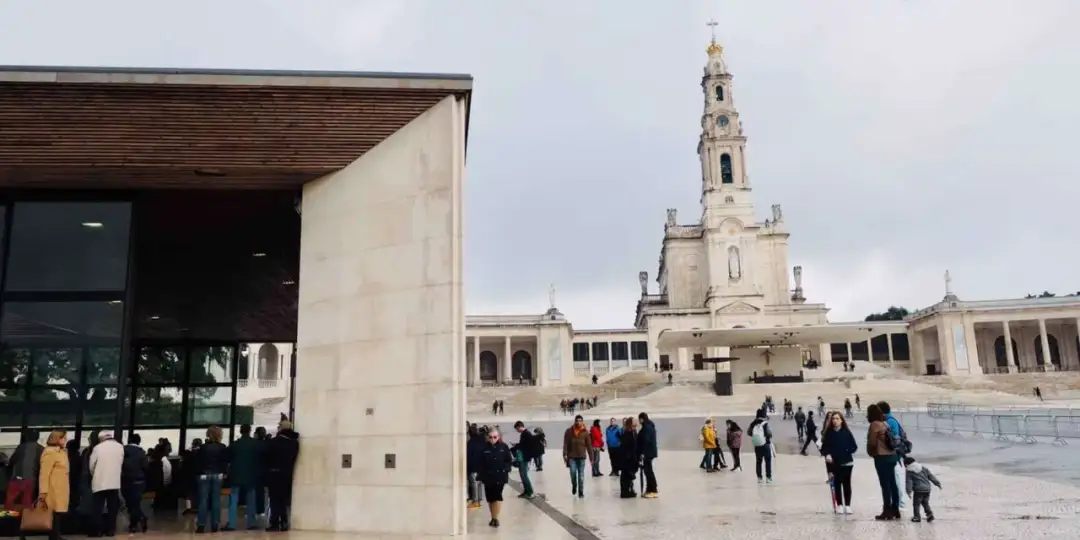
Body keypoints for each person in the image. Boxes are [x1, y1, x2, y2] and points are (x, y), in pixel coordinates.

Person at [866, 404, 901, 520]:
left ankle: (887, 510)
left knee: (885, 485)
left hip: (882, 457)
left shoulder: (874, 425)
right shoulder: (885, 423)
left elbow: (871, 442)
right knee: (892, 483)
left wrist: (871, 453)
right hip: (892, 456)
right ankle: (895, 509)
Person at [820, 410, 858, 515]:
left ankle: (848, 505)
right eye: (833, 419)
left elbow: (854, 447)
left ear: (841, 420)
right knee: (837, 484)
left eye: (837, 419)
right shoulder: (829, 434)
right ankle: (840, 505)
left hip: (847, 462)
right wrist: (827, 454)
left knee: (847, 484)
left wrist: (846, 451)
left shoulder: (846, 432)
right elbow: (824, 448)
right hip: (834, 463)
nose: (835, 421)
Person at [33, 430, 70, 540]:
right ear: (57, 439)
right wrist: (43, 491)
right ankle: (54, 536)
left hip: (61, 488)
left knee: (58, 513)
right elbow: (44, 473)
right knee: (53, 512)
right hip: (52, 488)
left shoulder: (61, 452)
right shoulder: (49, 452)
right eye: (64, 438)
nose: (65, 440)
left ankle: (55, 535)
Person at [225, 424, 262, 531]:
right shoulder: (255, 444)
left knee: (233, 500)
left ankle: (231, 524)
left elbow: (227, 459)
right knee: (251, 499)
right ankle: (251, 523)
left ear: (240, 431)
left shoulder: (234, 445)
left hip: (236, 475)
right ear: (250, 431)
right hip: (251, 475)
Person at [265, 421, 300, 532]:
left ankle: (274, 522)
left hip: (274, 473)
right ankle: (284, 521)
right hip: (287, 473)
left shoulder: (274, 442)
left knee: (275, 499)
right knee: (284, 499)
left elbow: (267, 457)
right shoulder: (294, 443)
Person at [88, 431, 124, 537]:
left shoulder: (98, 448)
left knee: (97, 508)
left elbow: (91, 465)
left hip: (100, 482)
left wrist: (94, 474)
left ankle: (97, 531)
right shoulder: (120, 447)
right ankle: (111, 530)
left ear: (101, 438)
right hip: (114, 482)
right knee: (112, 507)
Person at [194, 426, 229, 534]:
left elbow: (198, 462)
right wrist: (224, 473)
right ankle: (215, 524)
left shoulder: (203, 448)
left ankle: (201, 525)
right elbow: (224, 462)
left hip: (204, 474)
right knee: (216, 499)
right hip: (218, 474)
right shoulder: (222, 447)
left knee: (203, 500)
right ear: (219, 435)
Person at [478, 428, 513, 528]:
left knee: (497, 497)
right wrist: (480, 475)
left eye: (495, 437)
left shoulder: (504, 447)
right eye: (490, 437)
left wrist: (506, 468)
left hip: (500, 476)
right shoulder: (484, 448)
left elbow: (508, 460)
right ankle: (493, 517)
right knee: (490, 499)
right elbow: (480, 462)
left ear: (499, 437)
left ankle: (495, 518)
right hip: (488, 477)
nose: (493, 439)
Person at [121, 433, 149, 533]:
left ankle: (134, 524)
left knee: (131, 504)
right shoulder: (141, 452)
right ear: (139, 441)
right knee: (135, 503)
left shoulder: (123, 450)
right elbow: (145, 467)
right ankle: (140, 519)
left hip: (125, 481)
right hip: (139, 481)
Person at [8, 430, 43, 509]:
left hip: (17, 478)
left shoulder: (20, 447)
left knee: (10, 503)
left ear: (27, 437)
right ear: (38, 437)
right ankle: (25, 519)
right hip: (32, 480)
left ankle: (9, 519)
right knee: (27, 504)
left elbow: (11, 462)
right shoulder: (41, 449)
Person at [903, 456, 942, 523]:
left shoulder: (909, 471)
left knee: (916, 504)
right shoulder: (923, 468)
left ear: (906, 465)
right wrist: (937, 483)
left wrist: (908, 491)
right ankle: (929, 514)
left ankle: (917, 517)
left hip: (918, 490)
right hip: (927, 489)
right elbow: (931, 476)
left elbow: (909, 482)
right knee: (925, 503)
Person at [562, 415, 590, 498]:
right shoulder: (569, 431)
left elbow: (589, 445)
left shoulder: (585, 432)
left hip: (581, 457)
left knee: (581, 476)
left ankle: (581, 492)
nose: (578, 422)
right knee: (573, 473)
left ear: (582, 422)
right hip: (572, 457)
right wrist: (565, 454)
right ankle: (574, 485)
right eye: (577, 420)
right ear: (575, 421)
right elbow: (565, 444)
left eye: (580, 420)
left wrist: (592, 457)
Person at [511, 421, 538, 499]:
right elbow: (523, 445)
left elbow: (526, 446)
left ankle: (530, 492)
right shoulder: (524, 434)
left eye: (517, 429)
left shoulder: (526, 434)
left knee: (524, 475)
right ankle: (526, 491)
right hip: (523, 457)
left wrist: (516, 446)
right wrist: (516, 445)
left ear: (519, 427)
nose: (517, 431)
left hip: (525, 457)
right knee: (522, 474)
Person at [637, 412, 658, 498]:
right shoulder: (649, 426)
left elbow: (646, 441)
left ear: (642, 419)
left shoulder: (647, 427)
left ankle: (653, 490)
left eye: (639, 419)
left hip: (647, 453)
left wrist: (642, 453)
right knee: (648, 471)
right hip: (649, 452)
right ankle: (650, 489)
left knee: (648, 471)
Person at [748, 409, 773, 483]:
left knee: (758, 461)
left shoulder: (753, 423)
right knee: (768, 461)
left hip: (757, 445)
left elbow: (749, 433)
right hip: (765, 444)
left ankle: (759, 477)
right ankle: (768, 477)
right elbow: (769, 433)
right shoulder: (765, 423)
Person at [617, 418, 639, 498]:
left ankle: (629, 490)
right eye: (634, 421)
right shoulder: (627, 434)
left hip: (631, 459)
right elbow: (626, 448)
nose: (636, 422)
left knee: (629, 476)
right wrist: (629, 457)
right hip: (627, 460)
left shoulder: (633, 432)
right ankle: (625, 492)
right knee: (626, 476)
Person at [466, 425, 486, 509]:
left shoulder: (470, 444)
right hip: (481, 467)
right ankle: (480, 499)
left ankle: (475, 501)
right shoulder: (482, 442)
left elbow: (469, 457)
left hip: (473, 467)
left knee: (474, 484)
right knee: (479, 484)